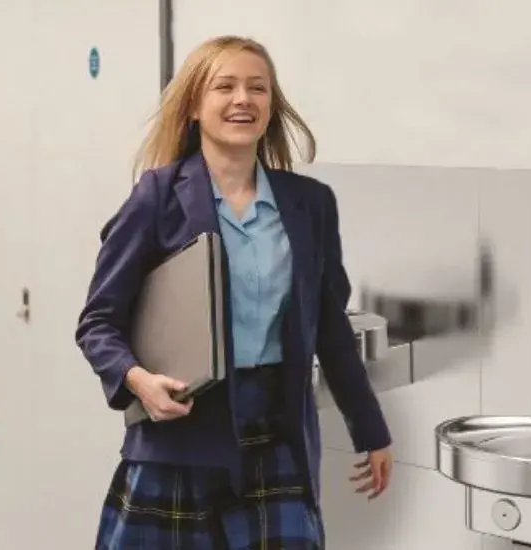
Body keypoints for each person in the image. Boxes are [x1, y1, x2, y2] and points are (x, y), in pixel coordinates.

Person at [74, 35, 394, 549]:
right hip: (178, 442)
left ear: (272, 105)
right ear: (195, 107)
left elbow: (330, 330)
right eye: (225, 86)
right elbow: (98, 323)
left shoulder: (310, 204)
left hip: (276, 439)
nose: (243, 99)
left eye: (257, 88)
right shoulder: (156, 196)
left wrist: (371, 431)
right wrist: (138, 382)